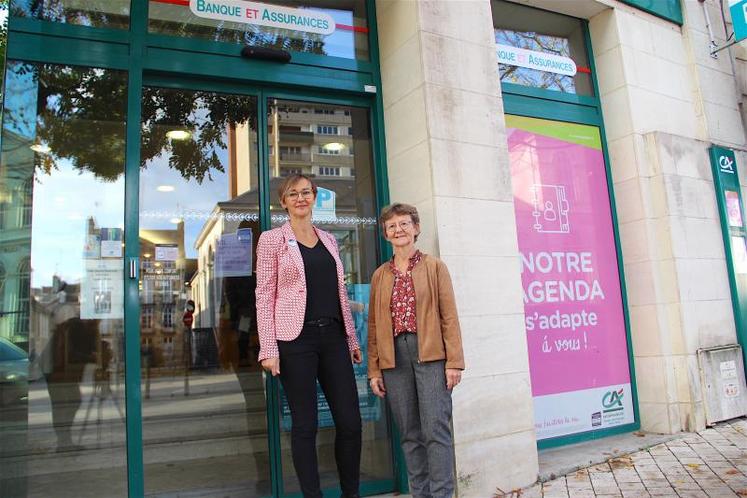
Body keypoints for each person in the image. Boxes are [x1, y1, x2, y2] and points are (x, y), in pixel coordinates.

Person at [256, 174, 362, 498]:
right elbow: (264, 294)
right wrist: (268, 348)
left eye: (306, 192)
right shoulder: (272, 239)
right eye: (293, 193)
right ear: (283, 201)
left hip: (333, 337)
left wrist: (352, 341)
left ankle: (351, 493)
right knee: (305, 425)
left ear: (314, 197)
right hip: (295, 340)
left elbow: (339, 292)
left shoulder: (330, 239)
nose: (301, 198)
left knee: (350, 422)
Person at [367, 203, 465, 498]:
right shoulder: (380, 275)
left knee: (436, 430)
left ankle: (442, 494)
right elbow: (373, 326)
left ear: (416, 228)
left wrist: (454, 362)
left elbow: (449, 316)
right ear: (386, 234)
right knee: (410, 433)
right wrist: (374, 370)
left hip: (431, 355)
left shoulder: (435, 267)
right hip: (394, 358)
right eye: (392, 226)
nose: (399, 230)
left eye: (404, 224)